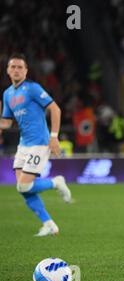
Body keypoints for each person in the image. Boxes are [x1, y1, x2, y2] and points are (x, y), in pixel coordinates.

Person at [0, 53, 72, 236]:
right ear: (8, 70)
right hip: (23, 144)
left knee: (23, 186)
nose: (16, 70)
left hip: (40, 142)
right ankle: (49, 224)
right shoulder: (8, 94)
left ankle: (56, 182)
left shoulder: (32, 88)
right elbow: (6, 123)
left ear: (26, 71)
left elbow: (55, 109)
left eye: (20, 67)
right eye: (13, 67)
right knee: (22, 188)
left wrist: (54, 136)